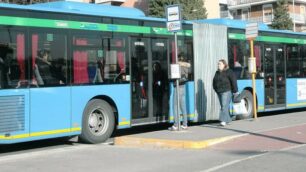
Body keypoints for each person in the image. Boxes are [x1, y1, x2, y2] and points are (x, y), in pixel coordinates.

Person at [213, 59, 238, 127]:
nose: (218, 65)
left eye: (220, 64)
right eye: (218, 64)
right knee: (224, 106)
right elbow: (214, 82)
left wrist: (235, 91)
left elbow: (233, 81)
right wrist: (216, 90)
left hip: (226, 91)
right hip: (219, 92)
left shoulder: (229, 72)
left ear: (224, 65)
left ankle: (223, 120)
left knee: (224, 106)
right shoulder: (217, 72)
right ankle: (228, 120)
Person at [169, 54, 191, 131]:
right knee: (183, 106)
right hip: (183, 86)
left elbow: (174, 77)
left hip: (178, 86)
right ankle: (185, 124)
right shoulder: (186, 66)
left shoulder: (178, 66)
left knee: (175, 105)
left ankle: (175, 125)